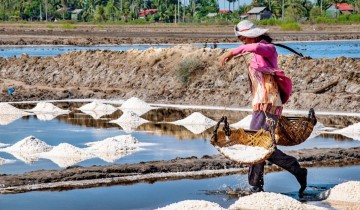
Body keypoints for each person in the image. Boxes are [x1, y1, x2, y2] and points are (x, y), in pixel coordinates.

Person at [220, 20, 307, 196]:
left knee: (258, 145)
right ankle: (260, 183)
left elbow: (254, 48)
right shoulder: (258, 52)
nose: (242, 41)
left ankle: (261, 183)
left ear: (252, 35)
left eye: (243, 37)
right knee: (258, 144)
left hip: (269, 104)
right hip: (260, 103)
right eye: (241, 38)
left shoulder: (267, 48)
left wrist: (231, 52)